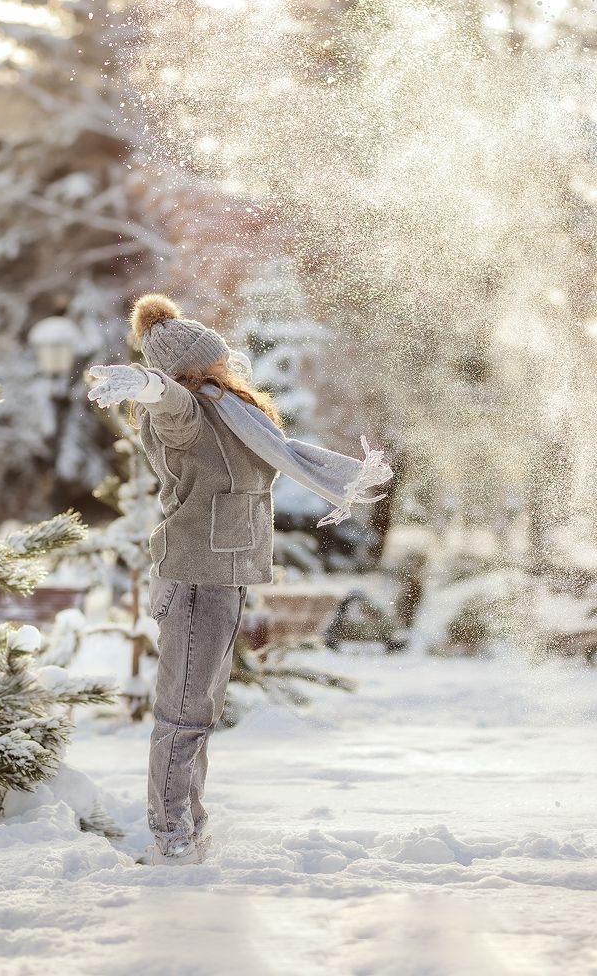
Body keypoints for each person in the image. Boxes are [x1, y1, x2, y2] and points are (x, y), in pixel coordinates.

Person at [88, 293, 393, 866]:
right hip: (193, 575)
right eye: (209, 367)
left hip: (222, 576)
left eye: (219, 363)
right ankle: (172, 834)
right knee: (182, 712)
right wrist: (148, 386)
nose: (220, 374)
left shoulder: (239, 415)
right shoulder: (184, 417)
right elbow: (171, 405)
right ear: (190, 372)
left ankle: (187, 824)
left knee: (196, 710)